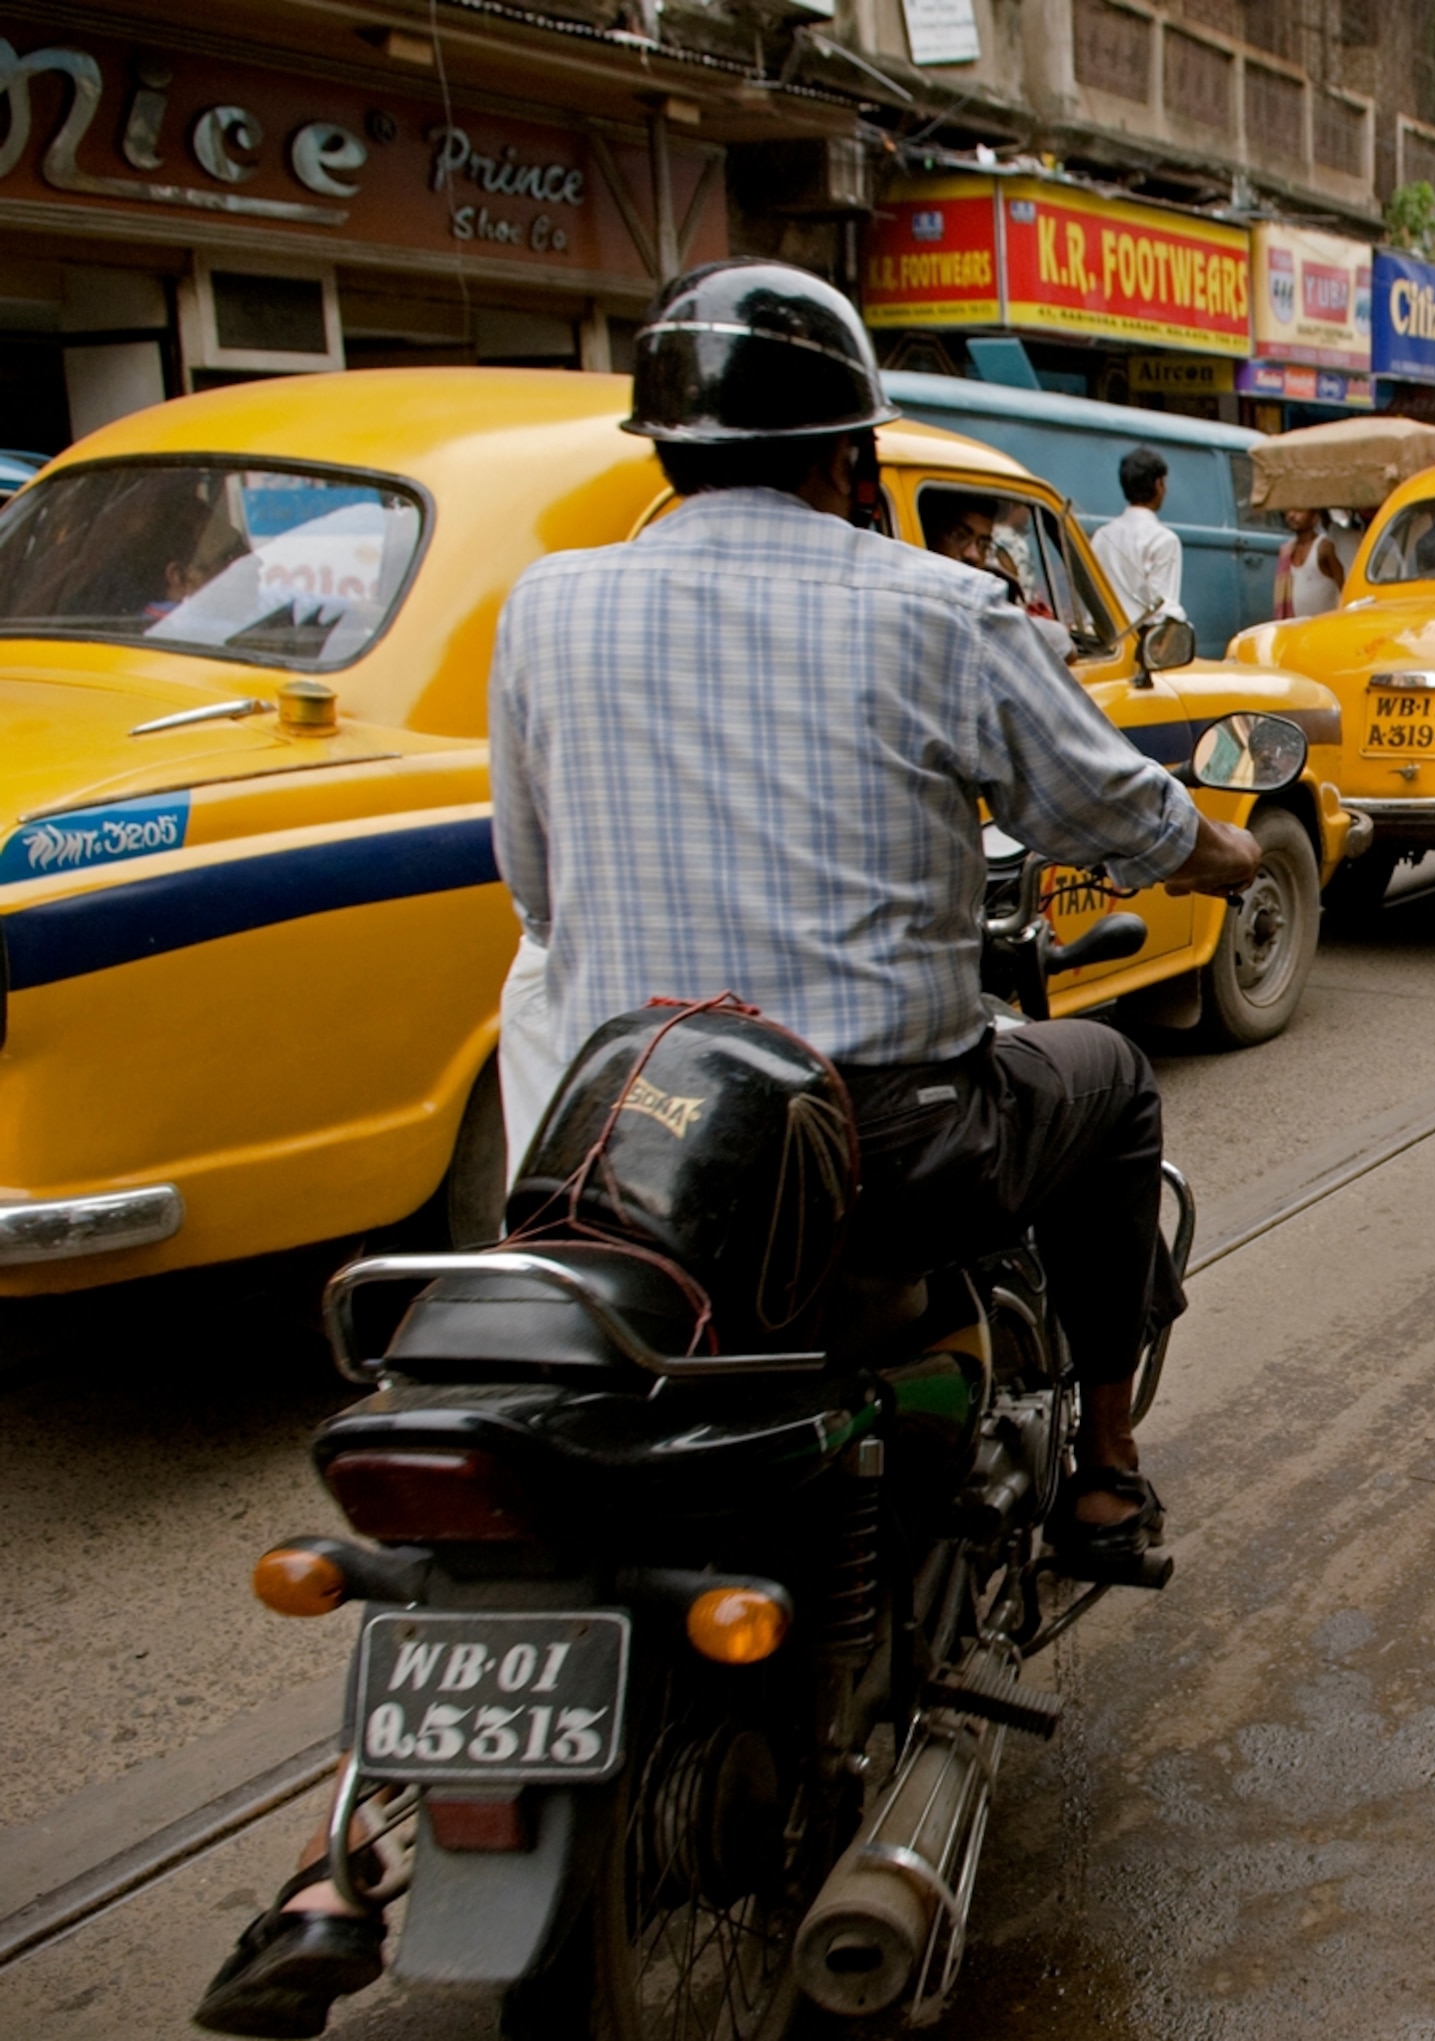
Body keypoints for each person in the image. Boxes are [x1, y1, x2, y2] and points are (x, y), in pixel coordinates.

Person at [192, 259, 1263, 2041]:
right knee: (1108, 1087)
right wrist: (1215, 852)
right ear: (853, 454)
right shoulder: (940, 607)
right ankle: (1099, 1460)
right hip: (881, 1141)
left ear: (666, 458)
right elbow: (1107, 810)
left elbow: (536, 894)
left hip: (616, 1158)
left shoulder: (546, 612)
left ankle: (337, 1855)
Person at [1093, 445, 1184, 625]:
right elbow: (1163, 612)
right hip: (1142, 645)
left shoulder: (1101, 536)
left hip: (1104, 643)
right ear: (1159, 485)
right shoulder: (1164, 540)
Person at [1276, 505, 1345, 619]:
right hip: (1299, 627)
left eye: (1299, 511)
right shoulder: (1288, 551)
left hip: (1325, 625)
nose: (1292, 515)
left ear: (1315, 517)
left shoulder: (1323, 547)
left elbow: (1343, 586)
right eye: (1289, 510)